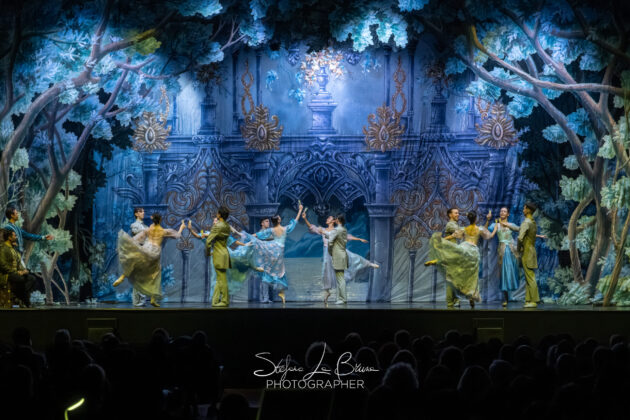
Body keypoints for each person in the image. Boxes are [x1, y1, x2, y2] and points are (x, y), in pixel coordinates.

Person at [302, 210, 378, 303]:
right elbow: (312, 227)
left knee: (351, 258)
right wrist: (305, 218)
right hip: (327, 254)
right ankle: (328, 292)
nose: (327, 219)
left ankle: (368, 264)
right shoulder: (323, 229)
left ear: (333, 221)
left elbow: (347, 236)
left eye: (329, 218)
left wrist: (359, 239)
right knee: (326, 274)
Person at [114, 213, 185, 307]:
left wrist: (124, 246)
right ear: (160, 220)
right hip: (155, 252)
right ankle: (153, 298)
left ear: (153, 219)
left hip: (147, 248)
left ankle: (123, 276)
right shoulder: (163, 231)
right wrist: (182, 227)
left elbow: (137, 238)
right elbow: (177, 235)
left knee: (136, 261)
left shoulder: (148, 229)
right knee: (155, 274)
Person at [240, 203, 304, 304]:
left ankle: (268, 296)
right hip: (277, 253)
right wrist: (300, 210)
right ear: (279, 220)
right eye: (279, 217)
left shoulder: (271, 230)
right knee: (278, 273)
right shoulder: (284, 229)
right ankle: (276, 294)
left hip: (271, 250)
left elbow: (258, 234)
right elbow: (294, 222)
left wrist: (248, 236)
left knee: (268, 273)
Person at [427, 210, 492, 308]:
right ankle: (468, 297)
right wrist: (489, 223)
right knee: (469, 276)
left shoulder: (463, 228)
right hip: (470, 252)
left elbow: (455, 235)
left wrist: (442, 240)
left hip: (463, 249)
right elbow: (485, 233)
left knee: (458, 271)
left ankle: (439, 261)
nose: (458, 214)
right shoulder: (476, 228)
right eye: (456, 213)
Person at [425, 208, 462, 308]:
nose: (458, 214)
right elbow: (459, 234)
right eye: (456, 213)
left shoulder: (454, 224)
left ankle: (455, 300)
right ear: (450, 215)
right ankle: (450, 302)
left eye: (458, 213)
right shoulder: (451, 224)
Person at [488, 207, 520, 307]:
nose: (502, 212)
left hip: (512, 251)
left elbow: (520, 230)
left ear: (508, 214)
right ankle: (505, 297)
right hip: (502, 251)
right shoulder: (496, 225)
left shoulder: (511, 224)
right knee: (503, 273)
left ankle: (511, 295)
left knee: (511, 272)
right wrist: (488, 220)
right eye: (501, 211)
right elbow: (487, 232)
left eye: (504, 211)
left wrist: (538, 235)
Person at [0, 228, 38, 307]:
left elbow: (18, 263)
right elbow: (3, 265)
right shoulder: (3, 249)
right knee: (21, 279)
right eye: (14, 236)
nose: (16, 237)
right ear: (9, 237)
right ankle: (25, 301)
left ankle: (17, 295)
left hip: (15, 274)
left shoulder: (13, 249)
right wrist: (16, 272)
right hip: (6, 274)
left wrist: (23, 270)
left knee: (32, 278)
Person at [205, 207, 233, 307]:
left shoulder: (218, 226)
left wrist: (208, 252)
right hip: (225, 252)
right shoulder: (227, 226)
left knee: (222, 279)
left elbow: (208, 241)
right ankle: (215, 300)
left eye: (217, 213)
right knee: (220, 278)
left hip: (219, 253)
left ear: (219, 214)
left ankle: (225, 300)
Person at [518, 202, 541, 308]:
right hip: (531, 250)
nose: (523, 210)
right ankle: (528, 299)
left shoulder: (526, 222)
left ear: (528, 210)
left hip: (527, 251)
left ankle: (534, 300)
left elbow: (520, 238)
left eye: (524, 208)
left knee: (530, 276)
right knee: (528, 276)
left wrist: (518, 248)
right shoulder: (533, 222)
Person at [326, 213, 349, 305]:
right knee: (340, 277)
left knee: (340, 278)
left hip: (338, 256)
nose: (334, 220)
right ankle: (341, 298)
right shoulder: (344, 229)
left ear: (338, 220)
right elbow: (333, 236)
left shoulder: (336, 230)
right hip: (343, 254)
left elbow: (330, 241)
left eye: (335, 219)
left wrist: (330, 251)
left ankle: (343, 299)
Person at [130, 207, 148, 307]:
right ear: (136, 214)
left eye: (143, 211)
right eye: (141, 211)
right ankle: (138, 302)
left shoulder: (144, 226)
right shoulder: (135, 225)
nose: (143, 213)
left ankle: (141, 301)